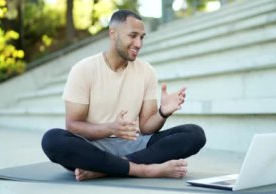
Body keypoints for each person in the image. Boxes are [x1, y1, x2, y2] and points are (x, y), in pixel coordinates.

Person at [41, 9, 206, 181]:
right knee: (52, 140)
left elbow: (146, 128)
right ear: (113, 33)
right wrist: (111, 128)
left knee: (194, 134)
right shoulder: (83, 69)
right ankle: (145, 170)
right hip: (93, 147)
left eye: (142, 37)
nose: (139, 43)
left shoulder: (147, 71)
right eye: (133, 35)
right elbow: (73, 125)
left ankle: (104, 169)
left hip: (134, 145)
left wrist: (162, 113)